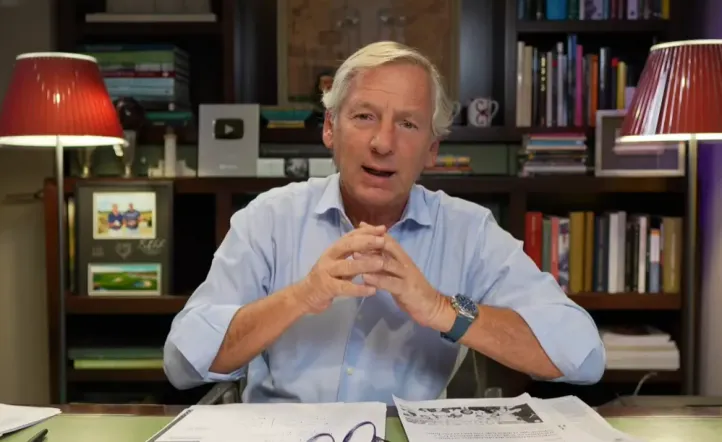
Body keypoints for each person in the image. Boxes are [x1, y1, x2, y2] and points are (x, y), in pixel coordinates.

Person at [163, 41, 605, 404]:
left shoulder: (469, 231)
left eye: (408, 124)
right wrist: (301, 296)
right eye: (364, 117)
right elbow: (182, 363)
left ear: (432, 150)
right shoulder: (269, 219)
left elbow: (583, 356)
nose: (383, 142)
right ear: (330, 129)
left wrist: (442, 309)